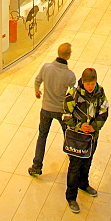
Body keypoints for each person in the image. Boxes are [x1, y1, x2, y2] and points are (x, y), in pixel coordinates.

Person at [63, 66, 109, 213]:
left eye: (92, 84)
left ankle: (84, 184)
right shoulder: (73, 95)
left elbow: (104, 110)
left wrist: (95, 126)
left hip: (91, 137)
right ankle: (71, 197)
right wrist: (79, 126)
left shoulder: (100, 92)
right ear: (83, 81)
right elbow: (65, 115)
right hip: (77, 138)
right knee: (74, 166)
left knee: (87, 161)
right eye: (88, 84)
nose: (90, 87)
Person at [28, 41, 76, 177]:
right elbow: (73, 94)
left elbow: (37, 80)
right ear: (68, 56)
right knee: (68, 134)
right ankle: (72, 156)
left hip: (46, 109)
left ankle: (37, 166)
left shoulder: (46, 67)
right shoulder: (70, 75)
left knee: (42, 136)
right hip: (61, 111)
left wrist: (37, 91)